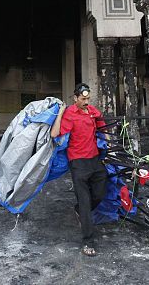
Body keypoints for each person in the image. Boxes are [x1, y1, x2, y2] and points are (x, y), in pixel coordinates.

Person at [50, 83, 107, 257]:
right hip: (78, 162)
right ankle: (87, 241)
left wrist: (107, 142)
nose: (86, 101)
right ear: (75, 98)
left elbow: (101, 123)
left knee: (99, 194)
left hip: (95, 159)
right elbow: (54, 134)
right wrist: (60, 113)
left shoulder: (91, 111)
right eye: (82, 99)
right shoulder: (70, 114)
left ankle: (80, 210)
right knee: (84, 200)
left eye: (87, 98)